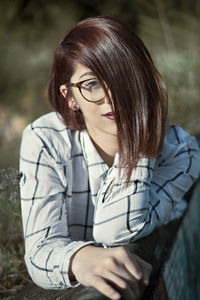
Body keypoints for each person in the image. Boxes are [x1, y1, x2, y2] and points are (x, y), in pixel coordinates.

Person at [19, 15, 200, 300]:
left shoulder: (181, 151)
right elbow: (39, 250)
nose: (112, 96)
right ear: (70, 97)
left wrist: (138, 139)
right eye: (92, 84)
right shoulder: (45, 139)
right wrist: (78, 258)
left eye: (125, 80)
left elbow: (115, 230)